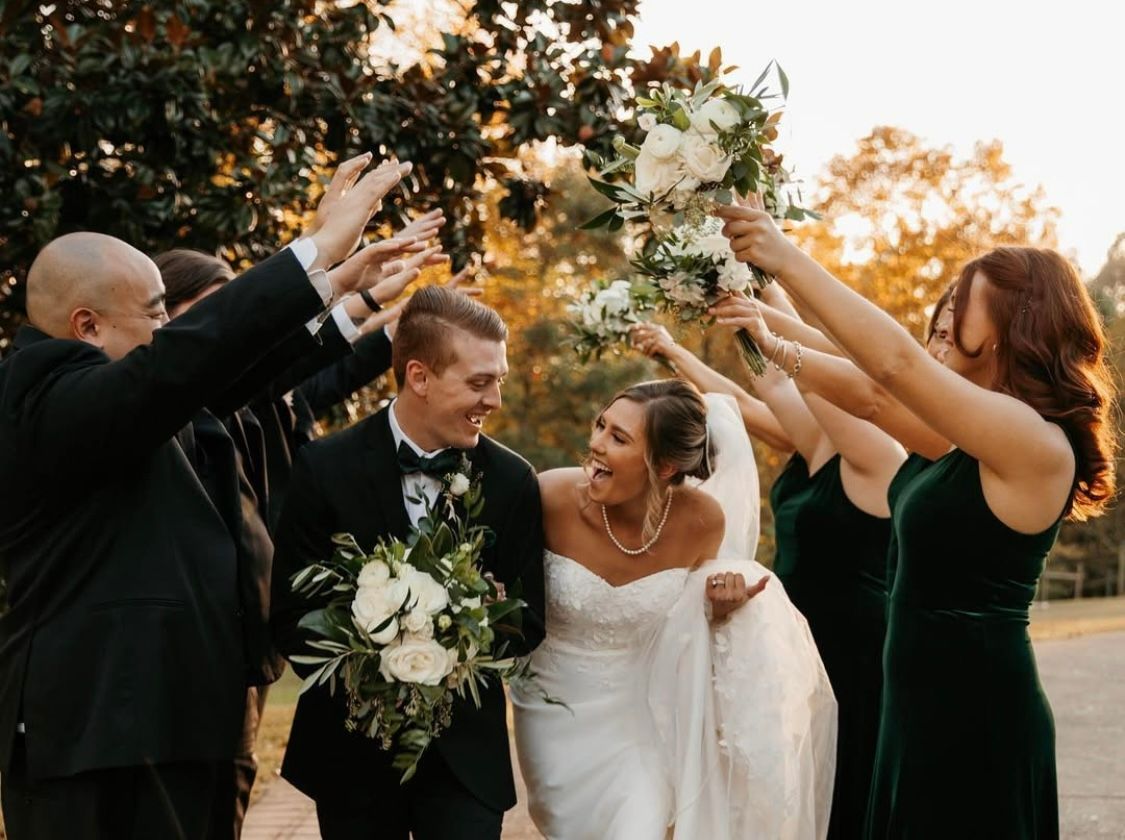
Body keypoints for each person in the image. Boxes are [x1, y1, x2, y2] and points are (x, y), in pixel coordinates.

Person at [0, 153, 409, 839]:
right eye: (155, 315)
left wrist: (334, 282)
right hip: (99, 731)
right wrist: (312, 249)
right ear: (87, 325)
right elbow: (186, 360)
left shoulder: (127, 405)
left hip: (172, 720)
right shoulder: (46, 401)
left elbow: (225, 373)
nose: (167, 331)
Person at [714, 197, 1116, 838]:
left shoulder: (1033, 441)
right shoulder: (970, 440)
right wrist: (769, 335)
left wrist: (784, 256)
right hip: (918, 705)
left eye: (966, 299)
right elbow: (874, 394)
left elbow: (894, 366)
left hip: (974, 710)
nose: (950, 311)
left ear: (1014, 321)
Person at [270, 287, 546, 840]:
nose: (494, 399)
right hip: (351, 752)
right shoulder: (323, 467)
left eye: (499, 380)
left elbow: (528, 620)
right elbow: (291, 612)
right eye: (478, 382)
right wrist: (377, 657)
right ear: (418, 377)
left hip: (465, 755)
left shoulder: (513, 481)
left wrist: (460, 638)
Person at [512, 379, 838, 839]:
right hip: (551, 708)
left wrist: (719, 611)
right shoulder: (549, 497)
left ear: (664, 466)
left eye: (618, 438)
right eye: (601, 426)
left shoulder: (701, 521)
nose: (596, 445)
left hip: (644, 713)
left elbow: (687, 621)